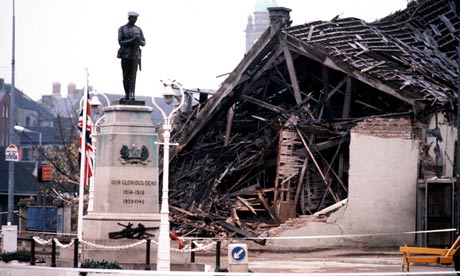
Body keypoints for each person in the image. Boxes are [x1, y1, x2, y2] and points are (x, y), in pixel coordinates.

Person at [117, 11, 146, 101]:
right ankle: (127, 94)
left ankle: (131, 94)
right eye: (133, 18)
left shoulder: (138, 29)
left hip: (135, 55)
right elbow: (120, 42)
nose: (134, 20)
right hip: (125, 55)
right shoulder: (122, 29)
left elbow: (144, 43)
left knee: (133, 76)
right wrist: (132, 40)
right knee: (126, 76)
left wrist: (138, 40)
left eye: (136, 19)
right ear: (129, 18)